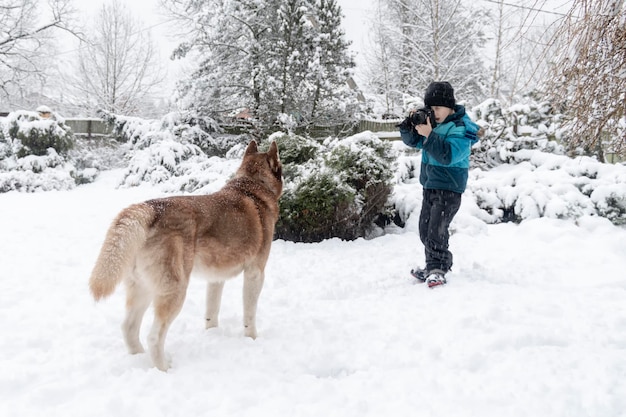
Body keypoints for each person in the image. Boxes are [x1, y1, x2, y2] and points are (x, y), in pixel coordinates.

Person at [398, 81, 480, 288]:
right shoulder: (432, 126)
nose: (433, 113)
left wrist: (429, 134)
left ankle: (438, 268)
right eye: (430, 108)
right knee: (425, 230)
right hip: (430, 185)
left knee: (436, 230)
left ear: (450, 106)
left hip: (449, 188)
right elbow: (413, 141)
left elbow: (448, 155)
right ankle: (434, 264)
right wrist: (410, 125)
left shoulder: (461, 127)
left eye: (437, 108)